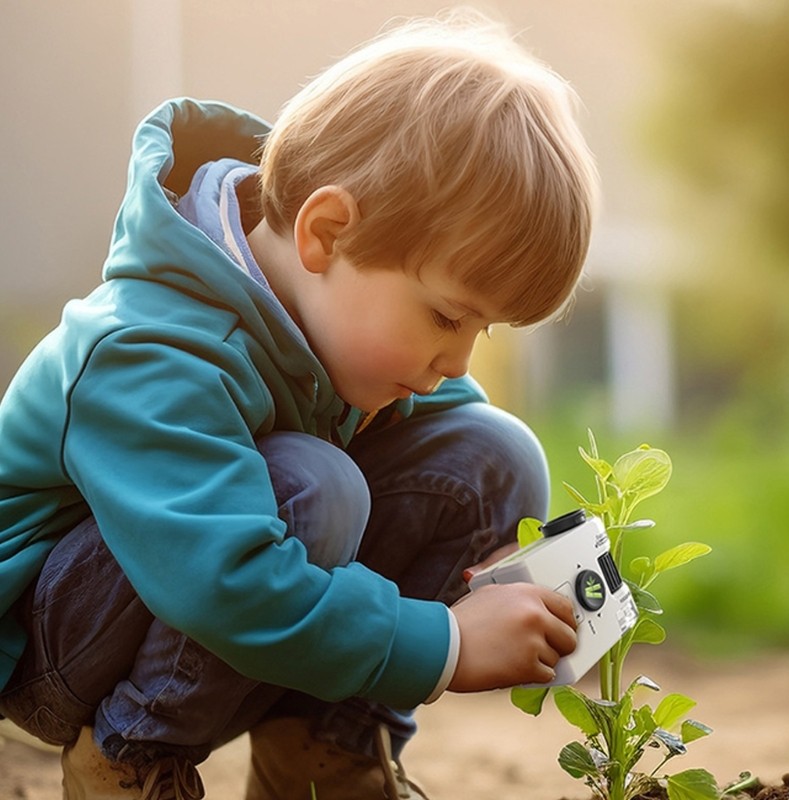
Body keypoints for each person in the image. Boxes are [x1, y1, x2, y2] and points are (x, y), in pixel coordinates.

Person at [0, 8, 597, 800]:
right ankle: (130, 759)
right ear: (325, 231)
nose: (455, 357)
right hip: (57, 646)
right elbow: (222, 580)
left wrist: (496, 555)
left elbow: (452, 438)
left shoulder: (326, 320)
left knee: (493, 457)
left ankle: (319, 752)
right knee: (315, 483)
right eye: (449, 316)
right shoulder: (154, 350)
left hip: (212, 604)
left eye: (480, 329)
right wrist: (445, 641)